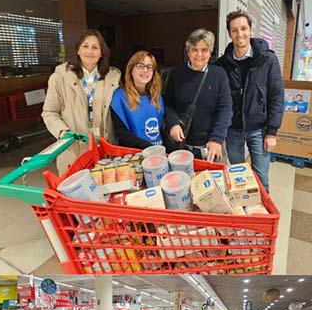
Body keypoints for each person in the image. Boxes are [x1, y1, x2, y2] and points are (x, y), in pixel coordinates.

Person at [218, 10, 284, 192]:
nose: (240, 34)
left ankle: (262, 209)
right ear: (229, 33)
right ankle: (243, 207)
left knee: (261, 178)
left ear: (250, 30)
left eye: (243, 28)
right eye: (234, 30)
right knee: (237, 177)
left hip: (259, 130)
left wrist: (272, 132)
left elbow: (276, 96)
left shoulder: (268, 59)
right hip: (233, 130)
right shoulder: (222, 64)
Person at [42, 29, 121, 173]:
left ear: (101, 53)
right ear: (78, 50)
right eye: (85, 46)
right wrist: (63, 132)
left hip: (104, 148)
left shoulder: (112, 78)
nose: (90, 51)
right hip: (74, 150)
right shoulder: (60, 78)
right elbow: (49, 112)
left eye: (95, 47)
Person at [163, 29, 232, 161]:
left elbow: (225, 109)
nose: (199, 55)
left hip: (210, 146)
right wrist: (173, 124)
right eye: (194, 50)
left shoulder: (219, 74)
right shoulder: (176, 73)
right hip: (181, 144)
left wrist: (217, 138)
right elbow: (168, 103)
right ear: (188, 52)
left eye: (204, 50)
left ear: (210, 52)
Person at [110, 51, 165, 148]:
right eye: (140, 66)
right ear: (131, 70)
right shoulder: (119, 97)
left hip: (157, 153)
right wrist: (148, 147)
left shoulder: (156, 97)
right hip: (133, 153)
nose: (145, 70)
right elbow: (122, 134)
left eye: (149, 67)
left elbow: (161, 128)